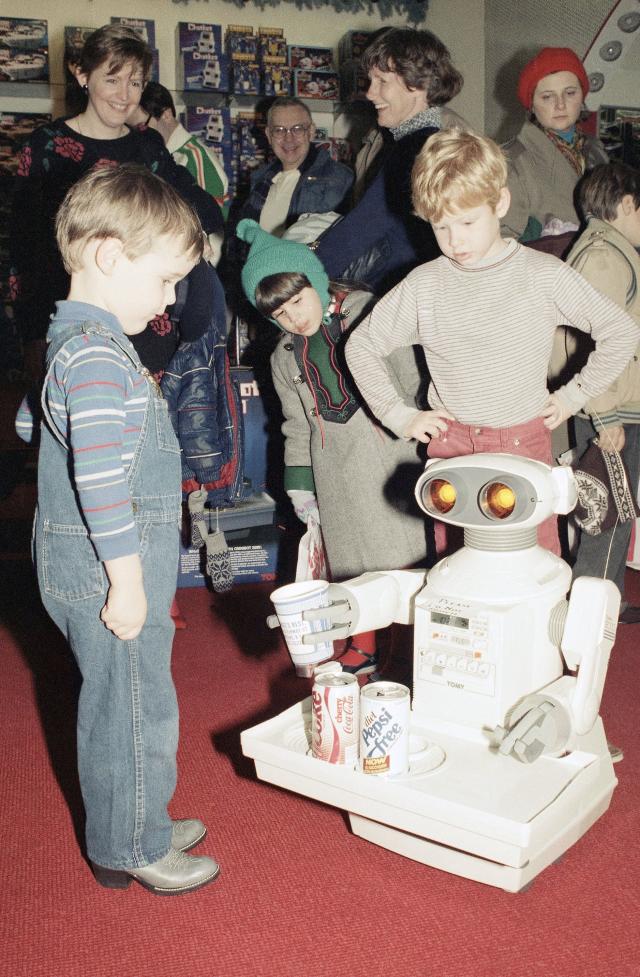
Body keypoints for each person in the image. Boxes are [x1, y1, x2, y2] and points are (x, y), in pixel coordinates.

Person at [14, 164, 221, 894]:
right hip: (110, 563)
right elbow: (100, 479)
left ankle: (131, 818)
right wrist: (127, 582)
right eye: (165, 280)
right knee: (133, 704)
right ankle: (132, 840)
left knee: (118, 695)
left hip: (82, 557)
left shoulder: (69, 341)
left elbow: (34, 423)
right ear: (109, 255)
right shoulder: (100, 354)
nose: (170, 301)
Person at [345, 129, 640, 556]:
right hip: (453, 446)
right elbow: (361, 346)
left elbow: (621, 331)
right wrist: (398, 415)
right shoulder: (423, 285)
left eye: (467, 222)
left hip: (524, 442)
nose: (454, 240)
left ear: (499, 203)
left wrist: (574, 395)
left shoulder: (543, 275)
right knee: (456, 568)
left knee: (533, 565)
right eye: (440, 226)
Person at [236, 218, 429, 678]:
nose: (294, 318)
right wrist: (301, 484)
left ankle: (407, 649)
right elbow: (296, 424)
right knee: (350, 566)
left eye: (299, 301)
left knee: (401, 561)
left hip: (389, 454)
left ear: (317, 281)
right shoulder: (285, 356)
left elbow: (410, 380)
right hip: (334, 470)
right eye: (280, 314)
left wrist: (424, 435)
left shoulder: (369, 314)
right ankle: (362, 646)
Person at [9, 23, 223, 379]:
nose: (125, 95)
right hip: (71, 327)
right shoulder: (47, 145)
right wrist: (32, 335)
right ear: (82, 75)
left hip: (146, 330)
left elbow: (207, 212)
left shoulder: (148, 146)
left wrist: (192, 239)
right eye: (112, 79)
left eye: (135, 83)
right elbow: (24, 249)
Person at [315, 27, 463, 293]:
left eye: (382, 81)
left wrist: (301, 275)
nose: (370, 93)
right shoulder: (432, 142)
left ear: (419, 85)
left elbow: (359, 231)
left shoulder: (414, 149)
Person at [563, 162, 640, 622]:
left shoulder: (611, 250)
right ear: (628, 204)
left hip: (618, 406)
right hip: (610, 410)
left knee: (617, 509)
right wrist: (604, 415)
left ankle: (605, 600)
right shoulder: (605, 256)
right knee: (606, 514)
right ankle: (589, 614)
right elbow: (594, 341)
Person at [503, 47, 608, 242]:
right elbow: (504, 241)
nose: (560, 105)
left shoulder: (596, 149)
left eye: (569, 93)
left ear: (582, 96)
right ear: (531, 104)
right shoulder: (512, 160)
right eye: (547, 96)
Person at [236, 96, 354, 237]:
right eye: (279, 130)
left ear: (311, 132)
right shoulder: (259, 180)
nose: (288, 138)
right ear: (269, 135)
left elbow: (344, 239)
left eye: (297, 129)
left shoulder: (338, 178)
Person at [128, 80, 229, 217]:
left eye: (141, 126)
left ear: (166, 115)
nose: (138, 134)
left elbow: (213, 226)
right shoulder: (153, 156)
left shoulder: (196, 158)